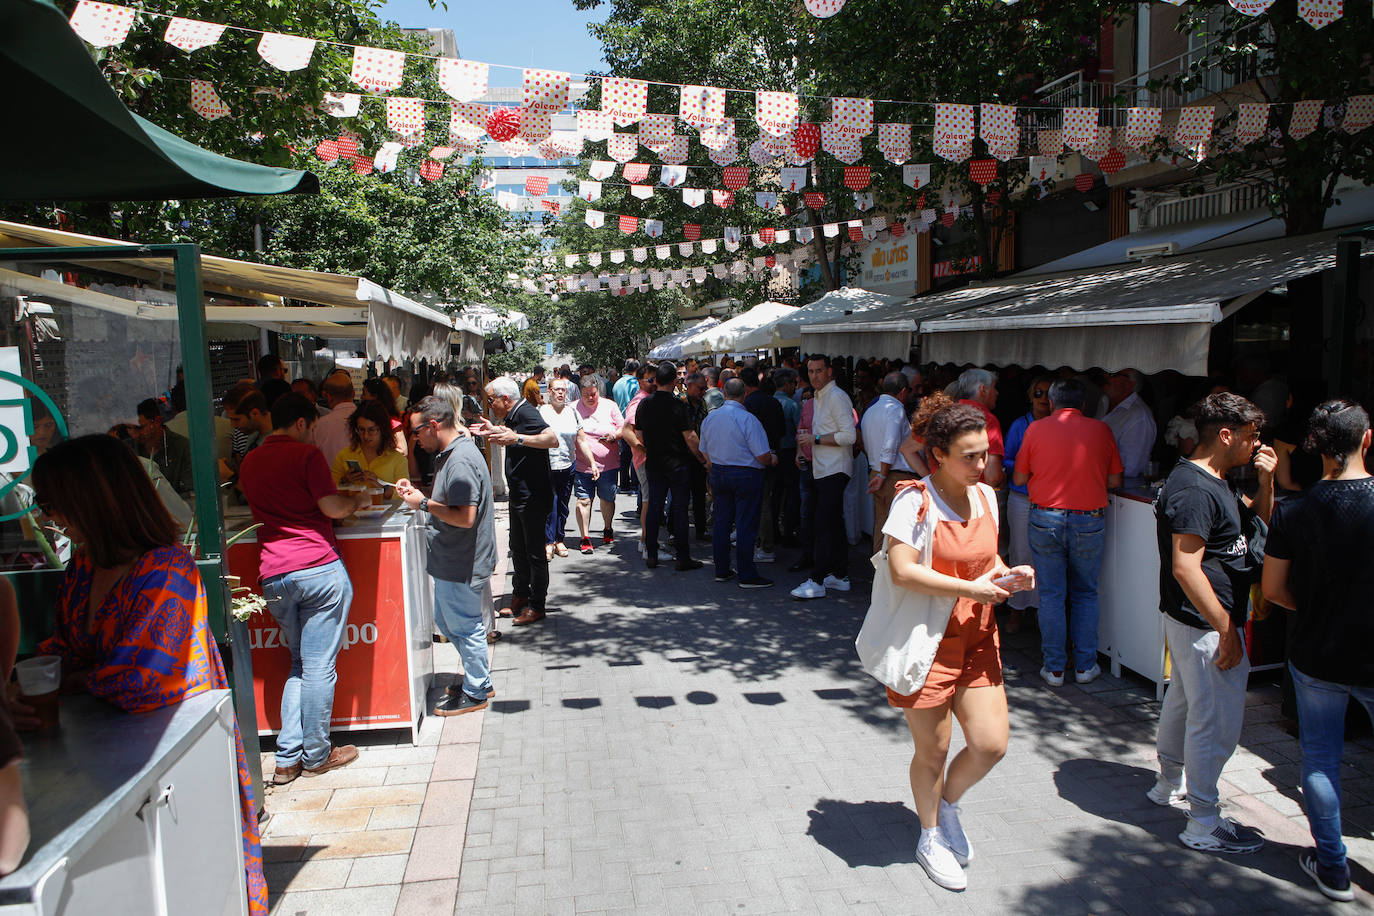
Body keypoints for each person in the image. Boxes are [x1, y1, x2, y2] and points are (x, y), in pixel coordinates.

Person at [24, 435, 268, 913]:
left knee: (198, 879)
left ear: (92, 500)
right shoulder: (83, 565)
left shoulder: (166, 567)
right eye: (44, 505)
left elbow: (145, 679)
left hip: (178, 751)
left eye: (53, 504)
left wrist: (73, 678)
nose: (48, 518)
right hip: (105, 750)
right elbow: (66, 647)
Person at [882, 404, 1032, 892]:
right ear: (938, 456)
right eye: (968, 457)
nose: (981, 466)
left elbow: (987, 559)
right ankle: (929, 836)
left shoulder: (985, 495)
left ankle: (945, 805)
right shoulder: (913, 501)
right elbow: (902, 571)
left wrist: (1010, 575)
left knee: (990, 743)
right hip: (926, 640)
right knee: (935, 748)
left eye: (984, 455)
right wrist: (971, 591)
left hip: (978, 635)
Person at [1152, 392, 1275, 854]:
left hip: (1200, 621)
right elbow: (1187, 567)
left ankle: (1167, 784)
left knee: (1185, 704)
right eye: (1251, 436)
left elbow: (1252, 533)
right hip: (1206, 622)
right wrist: (1228, 630)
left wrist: (1266, 483)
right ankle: (1202, 820)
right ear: (1226, 435)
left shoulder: (1216, 481)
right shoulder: (1195, 489)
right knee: (1213, 721)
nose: (1256, 444)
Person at [1261, 399, 1374, 902]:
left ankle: (1333, 869)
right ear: (1366, 440)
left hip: (1317, 650)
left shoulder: (1295, 510)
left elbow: (1274, 590)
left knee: (1321, 759)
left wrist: (1308, 608)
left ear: (1317, 448)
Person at [239, 394, 370, 784]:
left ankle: (286, 758)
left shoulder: (251, 460)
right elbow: (331, 508)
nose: (314, 433)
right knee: (317, 667)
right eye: (312, 426)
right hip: (317, 567)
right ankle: (316, 753)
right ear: (299, 423)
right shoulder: (306, 456)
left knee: (298, 664)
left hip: (273, 573)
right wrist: (356, 500)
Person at [1013, 378, 1123, 686]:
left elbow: (1020, 478)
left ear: (1050, 402)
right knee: (1085, 592)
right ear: (1084, 404)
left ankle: (1055, 668)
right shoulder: (1102, 430)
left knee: (1050, 595)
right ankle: (1086, 666)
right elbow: (1115, 481)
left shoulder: (1035, 429)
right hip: (1089, 519)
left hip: (1045, 518)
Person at [398, 397, 497, 716]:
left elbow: (465, 516)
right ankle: (477, 677)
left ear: (434, 425)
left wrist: (423, 503)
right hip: (455, 558)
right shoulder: (454, 453)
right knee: (448, 620)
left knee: (463, 624)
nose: (414, 438)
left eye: (415, 432)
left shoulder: (460, 459)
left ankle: (478, 688)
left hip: (463, 560)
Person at [474, 378, 558, 626]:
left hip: (533, 495)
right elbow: (512, 435)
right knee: (517, 547)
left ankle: (537, 604)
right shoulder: (513, 415)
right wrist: (496, 430)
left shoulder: (527, 412)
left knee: (534, 552)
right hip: (519, 494)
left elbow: (551, 439)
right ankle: (520, 593)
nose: (490, 405)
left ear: (506, 399)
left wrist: (517, 439)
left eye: (491, 400)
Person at [700, 377, 775, 588]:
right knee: (745, 524)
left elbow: (704, 450)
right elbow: (762, 456)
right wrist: (772, 458)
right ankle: (747, 573)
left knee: (722, 522)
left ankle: (722, 569)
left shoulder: (710, 419)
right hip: (745, 474)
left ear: (724, 394)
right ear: (745, 395)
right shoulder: (748, 419)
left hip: (719, 471)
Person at [792, 355, 856, 600]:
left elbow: (849, 436)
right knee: (832, 523)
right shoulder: (820, 396)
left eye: (819, 371)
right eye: (810, 371)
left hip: (833, 469)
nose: (814, 375)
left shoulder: (836, 396)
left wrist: (815, 440)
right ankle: (839, 575)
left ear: (830, 371)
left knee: (822, 524)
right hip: (824, 468)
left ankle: (818, 579)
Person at [633, 361, 705, 572]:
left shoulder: (645, 405)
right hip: (678, 464)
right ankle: (683, 557)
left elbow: (639, 435)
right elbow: (690, 436)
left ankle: (652, 553)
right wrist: (703, 458)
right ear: (674, 381)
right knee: (680, 509)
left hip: (654, 463)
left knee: (654, 507)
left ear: (655, 380)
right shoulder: (678, 405)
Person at [1000, 375, 1053, 632]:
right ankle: (1016, 611)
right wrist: (1027, 468)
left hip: (1050, 501)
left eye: (1048, 394)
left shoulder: (1058, 427)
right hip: (1022, 497)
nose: (1043, 399)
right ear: (1031, 396)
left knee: (1047, 559)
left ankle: (1040, 612)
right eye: (1039, 393)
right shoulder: (1020, 426)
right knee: (1020, 554)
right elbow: (1006, 460)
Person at [862, 372, 917, 555]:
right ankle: (889, 574)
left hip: (877, 471)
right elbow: (890, 444)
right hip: (891, 475)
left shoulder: (871, 409)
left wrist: (879, 471)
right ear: (903, 391)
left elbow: (862, 440)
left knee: (881, 524)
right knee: (896, 529)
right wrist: (883, 474)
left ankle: (879, 573)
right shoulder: (895, 409)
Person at [540, 379, 593, 560]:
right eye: (557, 390)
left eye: (563, 390)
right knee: (550, 504)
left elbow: (581, 440)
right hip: (547, 466)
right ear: (549, 391)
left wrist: (592, 462)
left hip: (567, 466)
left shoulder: (572, 412)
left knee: (563, 505)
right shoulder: (541, 412)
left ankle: (559, 539)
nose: (560, 393)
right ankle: (548, 542)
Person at [571, 375, 623, 554]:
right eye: (586, 395)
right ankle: (584, 537)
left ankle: (607, 528)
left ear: (598, 391)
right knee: (583, 499)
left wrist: (614, 436)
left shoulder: (610, 406)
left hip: (608, 464)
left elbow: (623, 427)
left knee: (607, 498)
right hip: (581, 464)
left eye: (593, 394)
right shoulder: (573, 408)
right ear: (580, 393)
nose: (590, 398)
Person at [742, 368, 785, 564]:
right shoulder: (773, 401)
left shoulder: (748, 404)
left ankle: (765, 544)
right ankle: (765, 540)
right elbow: (782, 430)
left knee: (761, 504)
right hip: (773, 455)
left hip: (755, 459)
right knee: (768, 500)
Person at [330, 400, 408, 491]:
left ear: (382, 429)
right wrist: (344, 481)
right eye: (361, 430)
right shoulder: (344, 455)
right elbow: (330, 491)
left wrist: (382, 487)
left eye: (372, 430)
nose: (366, 436)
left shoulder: (397, 459)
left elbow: (406, 494)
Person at [1103, 369, 1157, 482]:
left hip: (1117, 490)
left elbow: (1131, 467)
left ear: (1130, 384)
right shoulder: (1103, 402)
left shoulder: (1139, 416)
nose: (1107, 376)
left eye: (1114, 374)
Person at [953, 369, 1005, 487]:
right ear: (983, 390)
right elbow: (993, 477)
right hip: (971, 494)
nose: (997, 393)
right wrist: (1003, 477)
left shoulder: (946, 414)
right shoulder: (988, 420)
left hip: (941, 492)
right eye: (994, 387)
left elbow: (908, 448)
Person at [132, 397, 193, 498]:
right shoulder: (126, 449)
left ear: (157, 421)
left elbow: (190, 492)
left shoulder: (182, 448)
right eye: (129, 428)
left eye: (139, 428)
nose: (134, 435)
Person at [772, 368, 802, 545]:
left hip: (775, 453)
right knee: (791, 493)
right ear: (788, 384)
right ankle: (788, 531)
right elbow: (800, 430)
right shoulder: (792, 405)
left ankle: (775, 529)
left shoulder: (772, 402)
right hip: (790, 452)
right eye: (793, 383)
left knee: (776, 492)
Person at [684, 373, 712, 542]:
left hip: (700, 454)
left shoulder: (702, 403)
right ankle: (675, 532)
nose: (704, 391)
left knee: (700, 494)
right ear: (690, 386)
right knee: (680, 496)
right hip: (683, 456)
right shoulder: (680, 402)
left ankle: (701, 529)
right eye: (701, 388)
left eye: (705, 388)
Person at [311, 370, 358, 467]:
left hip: (330, 480)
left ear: (328, 397)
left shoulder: (320, 425)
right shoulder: (369, 420)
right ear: (353, 394)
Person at [612, 360, 641, 493]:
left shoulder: (617, 383)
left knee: (624, 455)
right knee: (636, 453)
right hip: (633, 423)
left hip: (620, 422)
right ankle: (634, 484)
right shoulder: (635, 383)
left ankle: (623, 483)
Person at [362, 377, 408, 456]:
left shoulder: (392, 421)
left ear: (375, 396)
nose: (361, 397)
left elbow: (403, 450)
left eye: (364, 393)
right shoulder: (362, 418)